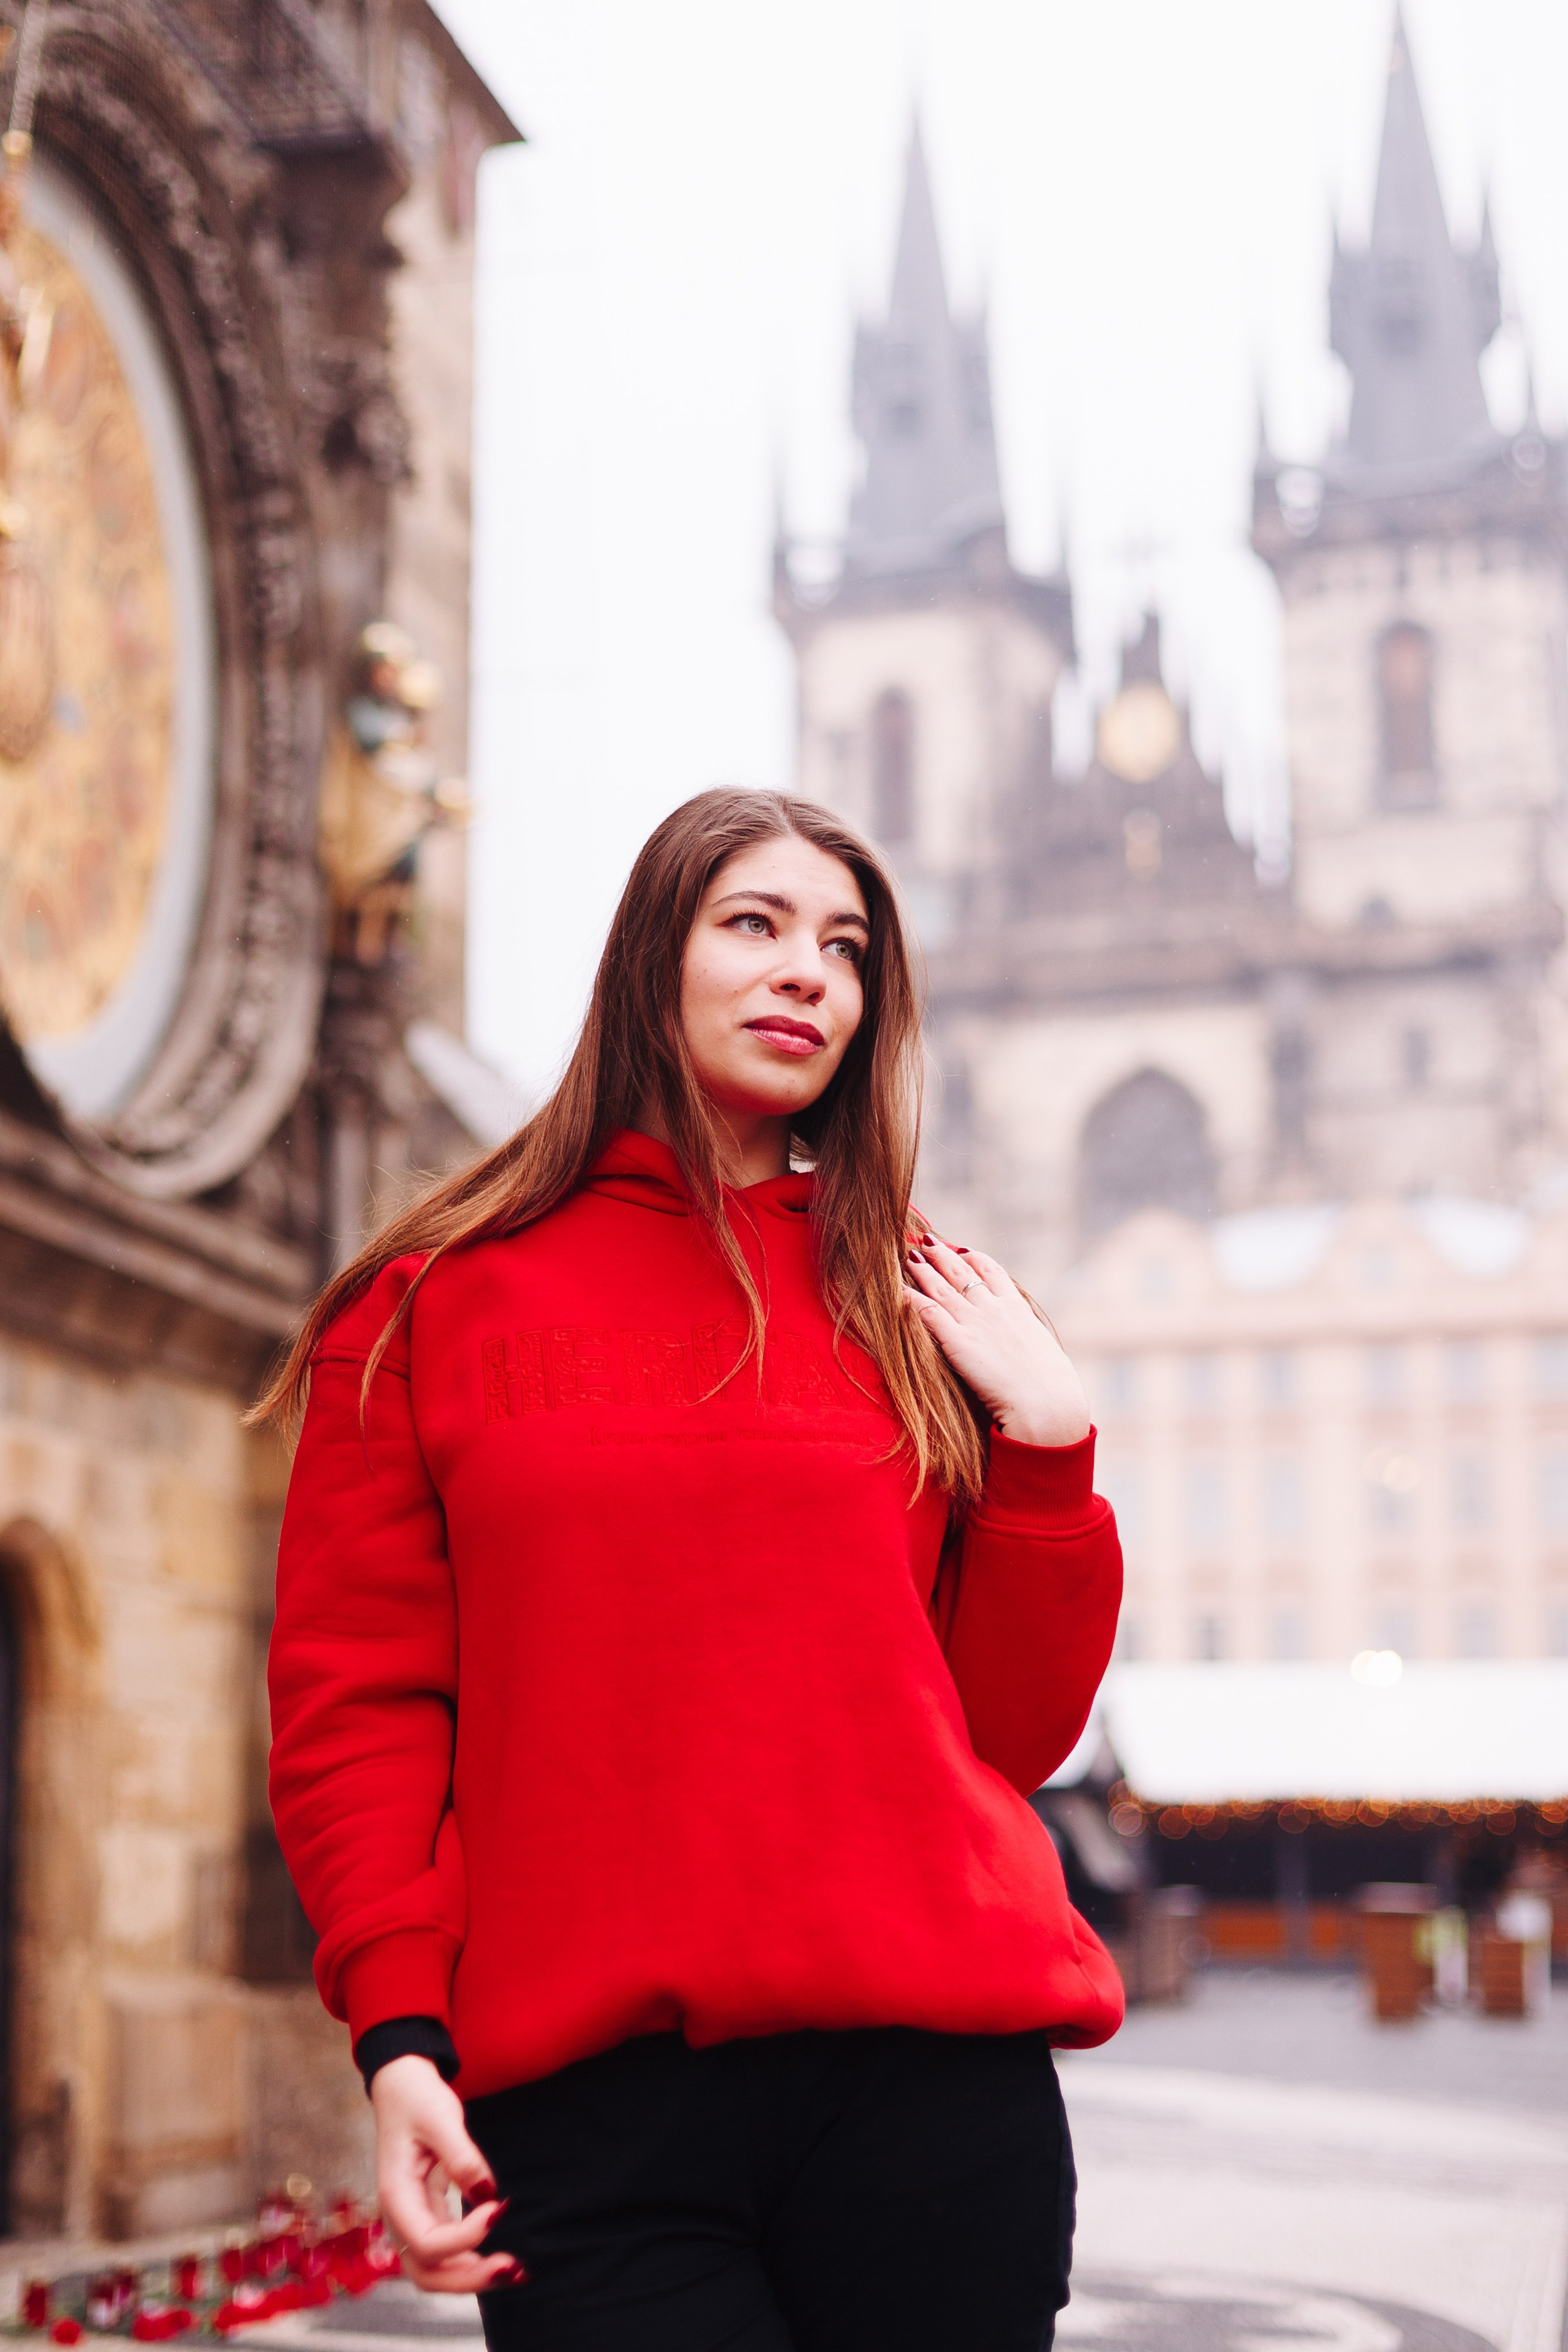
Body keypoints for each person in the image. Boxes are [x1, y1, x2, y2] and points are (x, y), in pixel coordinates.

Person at [261, 789, 1124, 2352]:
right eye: (755, 924)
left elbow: (1000, 1734)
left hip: (929, 2096)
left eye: (844, 947)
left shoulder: (919, 1302)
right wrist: (396, 2042)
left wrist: (1047, 1448)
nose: (807, 972)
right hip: (592, 2114)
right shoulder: (426, 1306)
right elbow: (357, 1707)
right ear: (651, 955)